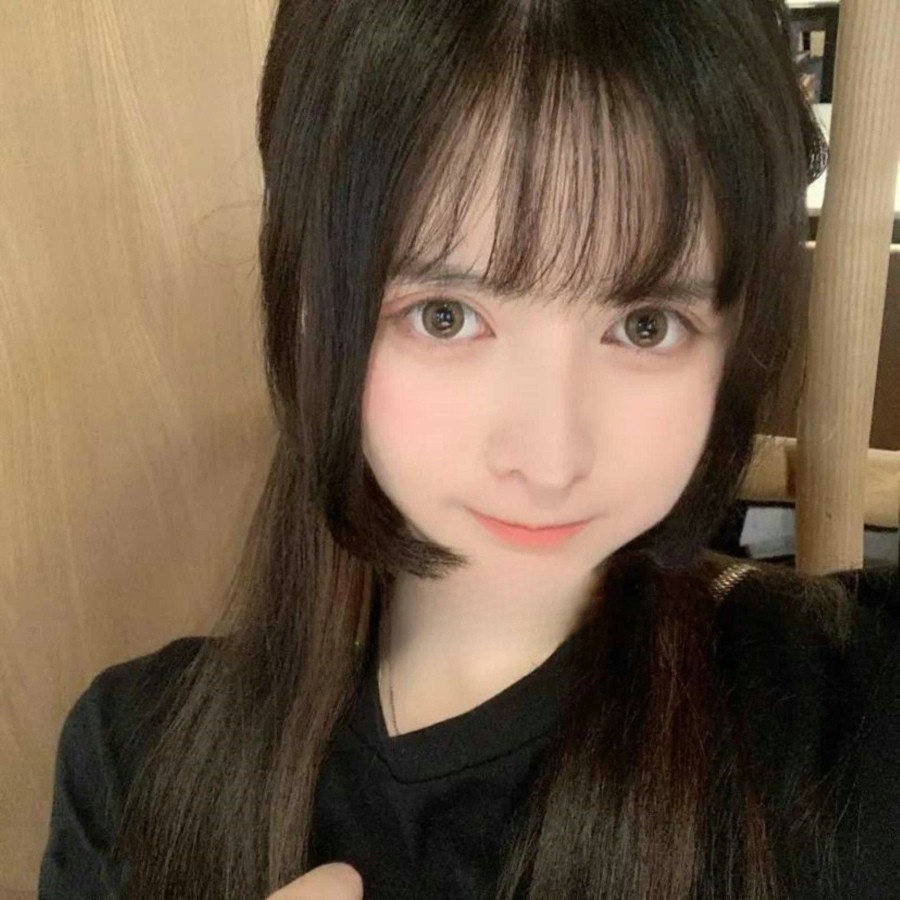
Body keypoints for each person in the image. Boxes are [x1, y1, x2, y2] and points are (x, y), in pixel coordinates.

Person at [38, 0, 900, 898]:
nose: (549, 462)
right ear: (312, 308)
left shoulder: (846, 720)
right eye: (445, 317)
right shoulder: (132, 761)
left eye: (646, 325)